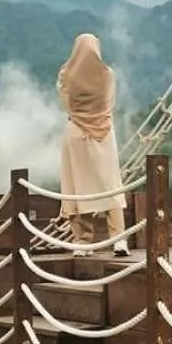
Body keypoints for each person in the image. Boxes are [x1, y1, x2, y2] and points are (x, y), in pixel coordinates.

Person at [58, 33, 129, 258]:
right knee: (111, 185)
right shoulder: (107, 75)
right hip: (104, 132)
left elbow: (65, 103)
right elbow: (111, 101)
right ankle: (118, 240)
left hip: (76, 132)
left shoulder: (65, 74)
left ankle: (83, 241)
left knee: (78, 187)